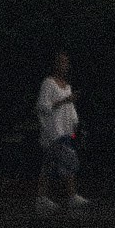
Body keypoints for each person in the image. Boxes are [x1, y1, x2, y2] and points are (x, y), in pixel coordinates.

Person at [33, 51, 89, 216]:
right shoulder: (48, 84)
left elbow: (71, 111)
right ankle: (68, 195)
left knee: (54, 163)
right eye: (61, 62)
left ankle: (44, 198)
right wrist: (66, 100)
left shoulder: (67, 86)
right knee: (63, 161)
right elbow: (43, 106)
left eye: (66, 62)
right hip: (53, 130)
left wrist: (75, 126)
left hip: (66, 130)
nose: (64, 65)